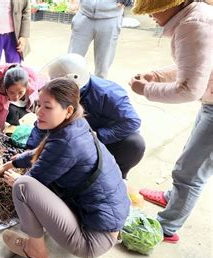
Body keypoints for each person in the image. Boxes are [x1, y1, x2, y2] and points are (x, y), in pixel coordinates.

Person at [0, 78, 130, 258]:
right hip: (103, 220)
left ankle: (35, 251)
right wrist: (10, 164)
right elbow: (43, 151)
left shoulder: (66, 142)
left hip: (92, 239)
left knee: (23, 186)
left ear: (68, 110)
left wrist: (14, 178)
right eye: (39, 105)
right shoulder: (77, 125)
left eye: (48, 107)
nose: (39, 112)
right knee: (37, 183)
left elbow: (33, 181)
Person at [129, 0, 212, 244]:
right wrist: (157, 75)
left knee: (191, 171)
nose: (151, 16)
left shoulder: (193, 23)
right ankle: (172, 197)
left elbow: (189, 89)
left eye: (152, 10)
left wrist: (147, 89)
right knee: (190, 157)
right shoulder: (197, 15)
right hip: (210, 101)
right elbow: (195, 65)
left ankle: (167, 226)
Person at [29, 53, 145, 179]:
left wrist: (99, 135)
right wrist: (30, 149)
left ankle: (118, 175)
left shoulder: (109, 94)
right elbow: (44, 119)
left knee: (135, 143)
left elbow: (132, 121)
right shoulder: (60, 95)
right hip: (78, 140)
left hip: (104, 141)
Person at [67, 0, 133, 78]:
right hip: (84, 15)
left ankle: (99, 87)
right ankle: (69, 88)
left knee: (103, 66)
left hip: (110, 18)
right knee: (72, 61)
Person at [0, 63, 45, 133]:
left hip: (30, 120)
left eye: (20, 92)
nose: (16, 97)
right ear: (5, 89)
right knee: (11, 110)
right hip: (12, 124)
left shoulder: (36, 89)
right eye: (11, 92)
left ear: (26, 86)